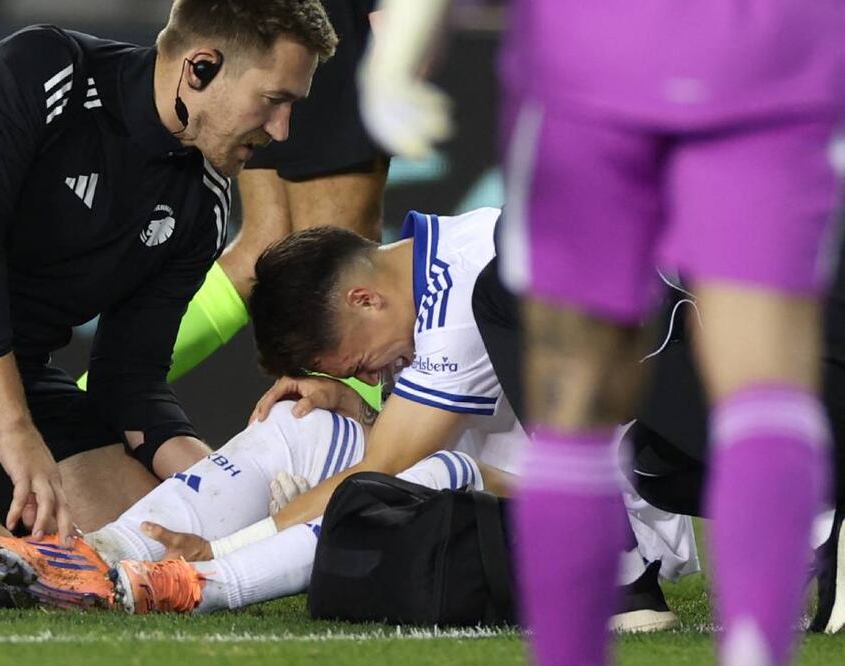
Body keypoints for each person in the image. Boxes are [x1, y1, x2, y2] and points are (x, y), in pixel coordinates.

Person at [0, 0, 337, 608]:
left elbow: (131, 382)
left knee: (136, 545)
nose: (282, 130)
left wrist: (218, 477)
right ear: (200, 67)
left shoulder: (201, 205)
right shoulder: (45, 69)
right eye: (275, 100)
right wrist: (15, 429)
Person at [359, 1, 845, 664]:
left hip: (596, 59)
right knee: (765, 389)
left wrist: (402, 44)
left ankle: (602, 610)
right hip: (768, 54)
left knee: (574, 406)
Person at [0, 209, 696, 629]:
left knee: (432, 472)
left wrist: (222, 550)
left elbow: (385, 467)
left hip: (619, 518)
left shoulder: (464, 286)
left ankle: (198, 584)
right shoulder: (430, 262)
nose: (369, 376)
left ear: (362, 300)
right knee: (301, 422)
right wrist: (354, 402)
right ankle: (97, 549)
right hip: (523, 476)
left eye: (354, 364)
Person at [77, 0, 387, 409]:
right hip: (330, 19)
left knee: (263, 249)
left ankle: (82, 401)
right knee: (346, 262)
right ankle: (348, 453)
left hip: (264, 16)